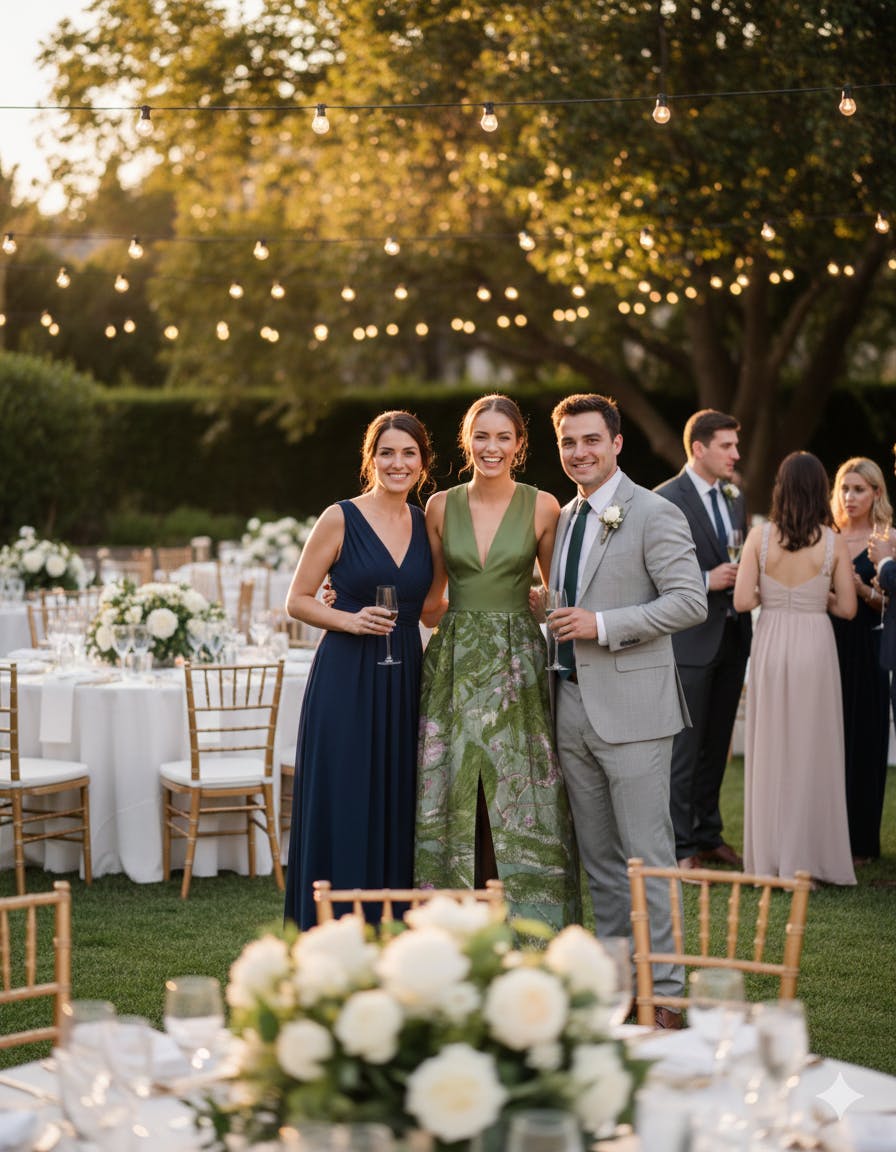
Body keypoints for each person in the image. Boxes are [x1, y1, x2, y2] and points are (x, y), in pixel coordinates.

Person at [545, 393, 707, 1027]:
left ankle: (665, 995)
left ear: (616, 443)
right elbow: (571, 599)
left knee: (649, 858)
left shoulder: (654, 511)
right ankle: (617, 993)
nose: (579, 452)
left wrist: (602, 624)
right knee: (601, 863)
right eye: (568, 442)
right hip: (569, 705)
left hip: (635, 712)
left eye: (591, 440)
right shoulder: (563, 517)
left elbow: (689, 600)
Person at [414, 393, 581, 930]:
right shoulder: (440, 507)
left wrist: (539, 605)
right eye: (481, 436)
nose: (492, 447)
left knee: (520, 787)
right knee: (456, 789)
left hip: (518, 664)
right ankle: (452, 928)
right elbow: (430, 604)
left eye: (503, 437)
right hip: (455, 660)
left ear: (519, 444)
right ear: (467, 441)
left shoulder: (545, 506)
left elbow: (558, 597)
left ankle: (531, 928)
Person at [283, 411, 434, 929]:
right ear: (371, 459)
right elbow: (298, 600)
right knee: (346, 797)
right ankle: (332, 927)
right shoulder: (340, 517)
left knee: (396, 799)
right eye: (386, 452)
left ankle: (388, 929)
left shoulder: (426, 523)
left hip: (405, 677)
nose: (398, 463)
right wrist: (348, 619)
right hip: (345, 678)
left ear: (422, 462)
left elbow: (433, 607)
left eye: (408, 453)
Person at [734, 452, 856, 886]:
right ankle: (809, 858)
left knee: (771, 747)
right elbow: (848, 608)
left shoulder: (759, 537)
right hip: (815, 644)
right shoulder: (834, 541)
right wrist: (818, 597)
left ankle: (768, 860)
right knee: (812, 748)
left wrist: (772, 595)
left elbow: (742, 601)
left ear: (780, 489)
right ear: (821, 490)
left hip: (771, 642)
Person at [655, 410, 752, 870]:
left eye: (736, 445)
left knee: (717, 746)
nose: (736, 454)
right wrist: (705, 579)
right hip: (689, 641)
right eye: (727, 446)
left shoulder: (734, 496)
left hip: (733, 635)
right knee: (685, 750)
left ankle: (709, 834)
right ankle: (681, 846)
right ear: (699, 448)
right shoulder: (663, 500)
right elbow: (651, 574)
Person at [830, 457, 892, 864]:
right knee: (829, 738)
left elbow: (890, 603)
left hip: (869, 648)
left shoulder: (887, 540)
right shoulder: (827, 536)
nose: (849, 497)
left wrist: (860, 589)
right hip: (828, 643)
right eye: (844, 489)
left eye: (859, 489)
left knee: (864, 740)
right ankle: (827, 834)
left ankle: (861, 842)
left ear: (876, 493)